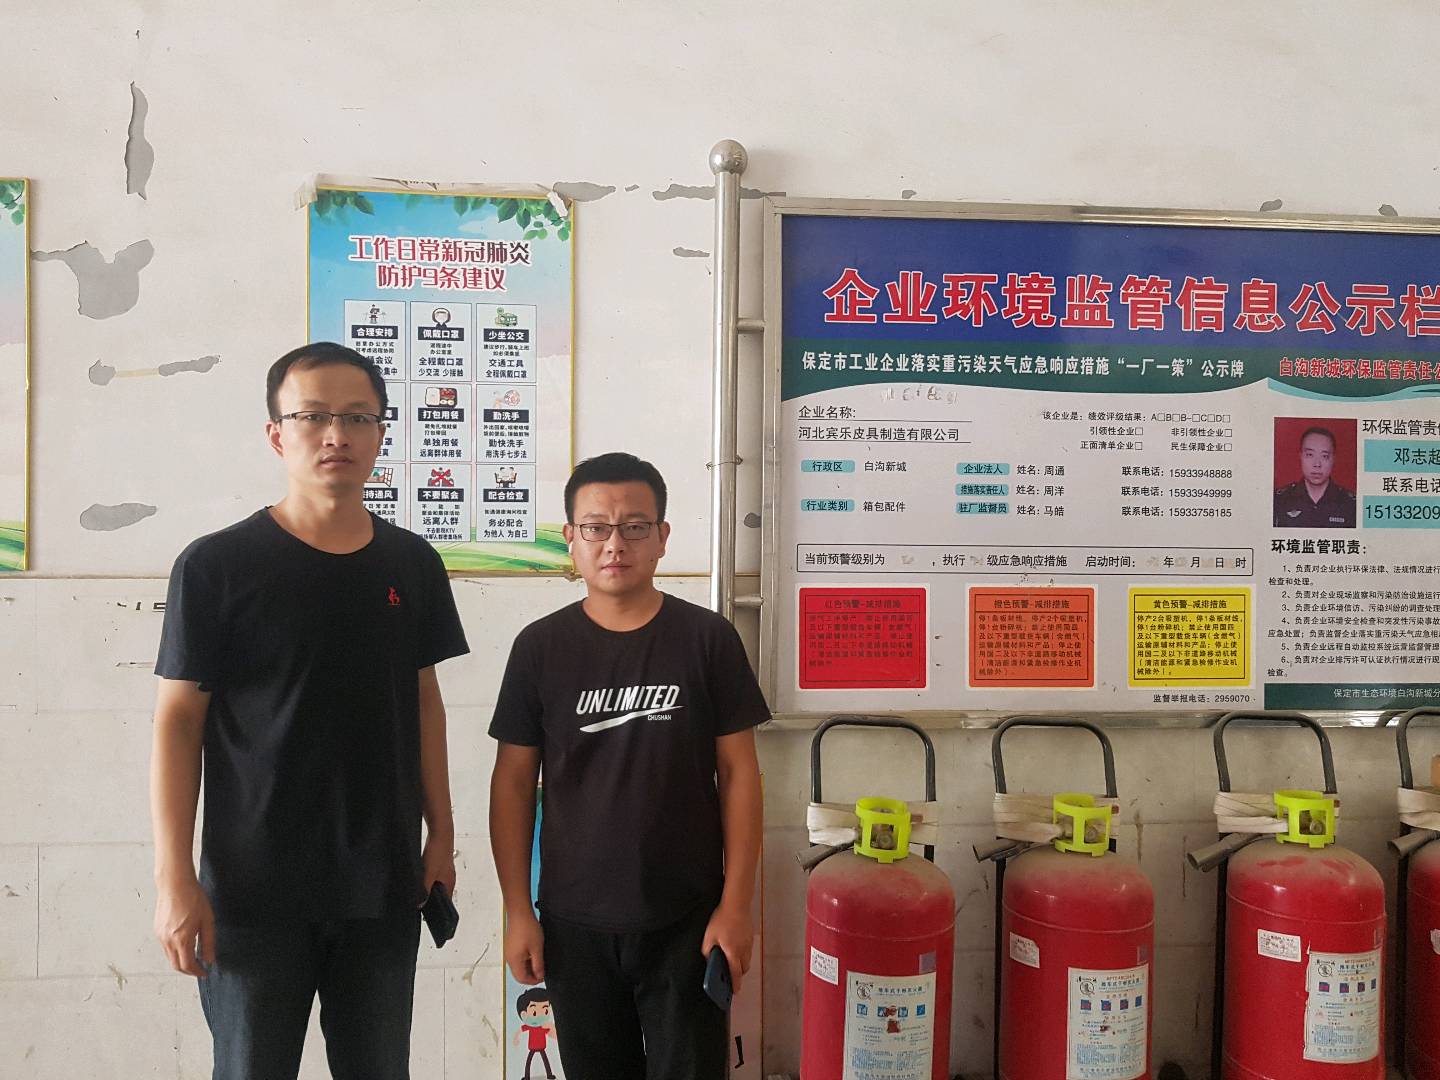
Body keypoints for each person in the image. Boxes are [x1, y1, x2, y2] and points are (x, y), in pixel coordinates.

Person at [149, 341, 468, 1079]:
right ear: (276, 434)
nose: (337, 435)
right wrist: (173, 879)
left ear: (381, 433)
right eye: (314, 416)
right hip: (252, 892)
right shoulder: (216, 566)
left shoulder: (412, 563)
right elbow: (178, 723)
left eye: (357, 417)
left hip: (382, 883)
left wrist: (443, 837)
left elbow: (424, 701)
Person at [488, 452, 768, 1080]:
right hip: (573, 924)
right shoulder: (539, 648)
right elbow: (512, 782)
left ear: (663, 537)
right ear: (571, 537)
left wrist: (736, 906)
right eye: (596, 527)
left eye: (635, 527)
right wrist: (518, 912)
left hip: (688, 918)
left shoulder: (707, 640)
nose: (615, 544)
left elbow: (739, 774)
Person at [1273, 425, 1356, 528]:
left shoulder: (1351, 504)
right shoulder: (1279, 500)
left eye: (1325, 456)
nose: (1317, 464)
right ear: (1300, 456)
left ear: (1333, 459)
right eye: (1310, 455)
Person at [513, 988, 558, 1080]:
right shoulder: (530, 1026)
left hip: (541, 1046)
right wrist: (516, 1037)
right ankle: (527, 1076)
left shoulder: (544, 1026)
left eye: (545, 1011)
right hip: (532, 1046)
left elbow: (552, 1034)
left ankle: (549, 1075)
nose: (541, 1016)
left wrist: (552, 1028)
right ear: (524, 1014)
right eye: (534, 1012)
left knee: (545, 1061)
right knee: (529, 1061)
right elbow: (521, 1029)